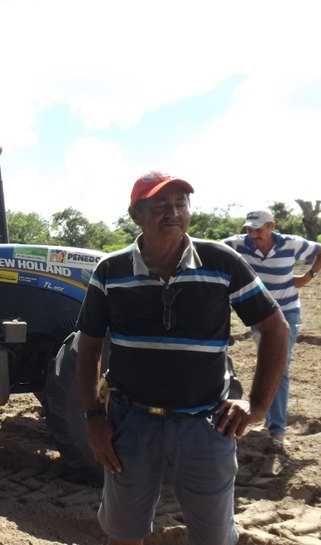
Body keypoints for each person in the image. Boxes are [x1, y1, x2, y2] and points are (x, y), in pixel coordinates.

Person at [75, 171, 289, 545]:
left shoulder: (221, 261)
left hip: (206, 424)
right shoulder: (110, 271)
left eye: (180, 203)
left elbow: (275, 329)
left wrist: (257, 405)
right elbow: (88, 346)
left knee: (213, 536)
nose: (172, 212)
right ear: (135, 215)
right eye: (160, 205)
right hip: (131, 423)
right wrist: (93, 417)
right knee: (123, 532)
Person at [223, 209, 321, 450]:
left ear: (271, 226)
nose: (253, 234)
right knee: (270, 364)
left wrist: (308, 276)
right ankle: (269, 420)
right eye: (249, 229)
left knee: (281, 367)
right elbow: (205, 251)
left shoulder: (291, 243)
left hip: (287, 312)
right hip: (260, 316)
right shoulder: (237, 244)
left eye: (258, 229)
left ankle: (276, 430)